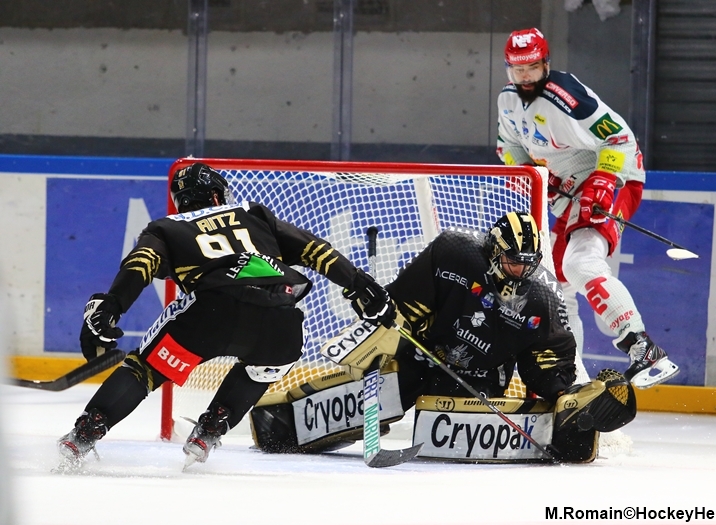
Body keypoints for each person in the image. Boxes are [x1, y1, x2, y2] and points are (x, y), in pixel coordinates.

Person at [58, 162, 394, 470]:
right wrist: (359, 284)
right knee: (266, 367)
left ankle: (85, 434)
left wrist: (112, 307)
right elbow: (314, 249)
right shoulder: (253, 213)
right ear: (217, 195)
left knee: (145, 369)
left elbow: (140, 265)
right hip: (279, 321)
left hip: (209, 317)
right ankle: (212, 427)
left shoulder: (166, 227)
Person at [250, 212, 636, 462]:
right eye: (512, 261)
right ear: (493, 251)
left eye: (528, 264)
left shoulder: (541, 300)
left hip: (478, 383)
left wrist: (563, 393)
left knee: (454, 434)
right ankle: (281, 419)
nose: (520, 271)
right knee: (376, 394)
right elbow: (403, 304)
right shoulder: (454, 253)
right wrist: (385, 336)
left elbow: (546, 362)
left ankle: (572, 431)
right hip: (420, 358)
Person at [495, 27, 679, 389]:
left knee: (580, 264)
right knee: (555, 285)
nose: (526, 76)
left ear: (546, 64)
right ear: (509, 69)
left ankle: (641, 346)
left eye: (532, 67)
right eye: (518, 69)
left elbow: (620, 139)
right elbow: (508, 148)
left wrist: (603, 180)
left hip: (614, 177)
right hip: (571, 188)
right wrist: (533, 176)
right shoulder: (508, 101)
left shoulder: (567, 96)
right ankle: (570, 375)